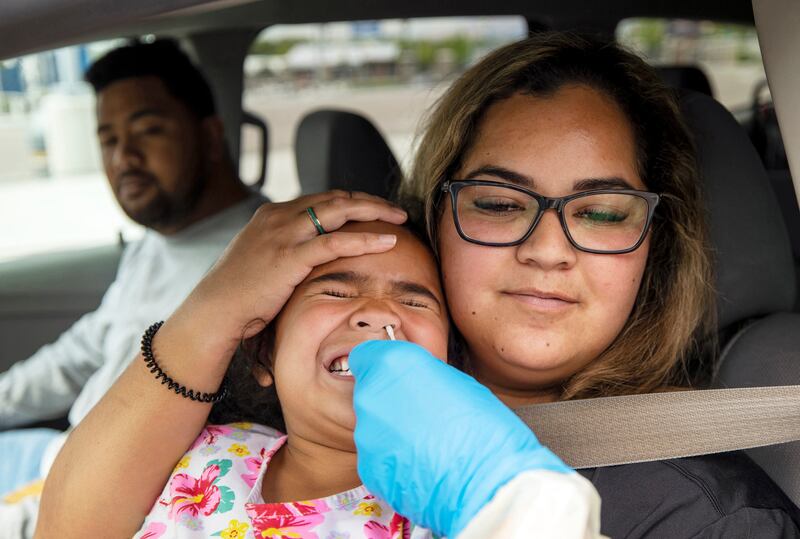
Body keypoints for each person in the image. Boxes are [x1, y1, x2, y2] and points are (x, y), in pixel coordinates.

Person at [37, 31, 800, 538]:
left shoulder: (707, 512)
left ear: (651, 246)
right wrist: (214, 303)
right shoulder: (300, 410)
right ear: (438, 219)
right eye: (500, 203)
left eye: (600, 212)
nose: (547, 248)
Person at [128, 219, 598, 538]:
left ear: (448, 367)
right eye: (334, 292)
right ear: (264, 355)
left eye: (415, 302)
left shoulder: (452, 511)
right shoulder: (197, 453)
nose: (377, 313)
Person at [0, 38, 262, 504]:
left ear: (209, 135)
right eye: (109, 140)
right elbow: (81, 349)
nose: (124, 158)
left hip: (93, 491)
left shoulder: (254, 260)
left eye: (149, 130)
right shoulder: (157, 241)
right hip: (61, 456)